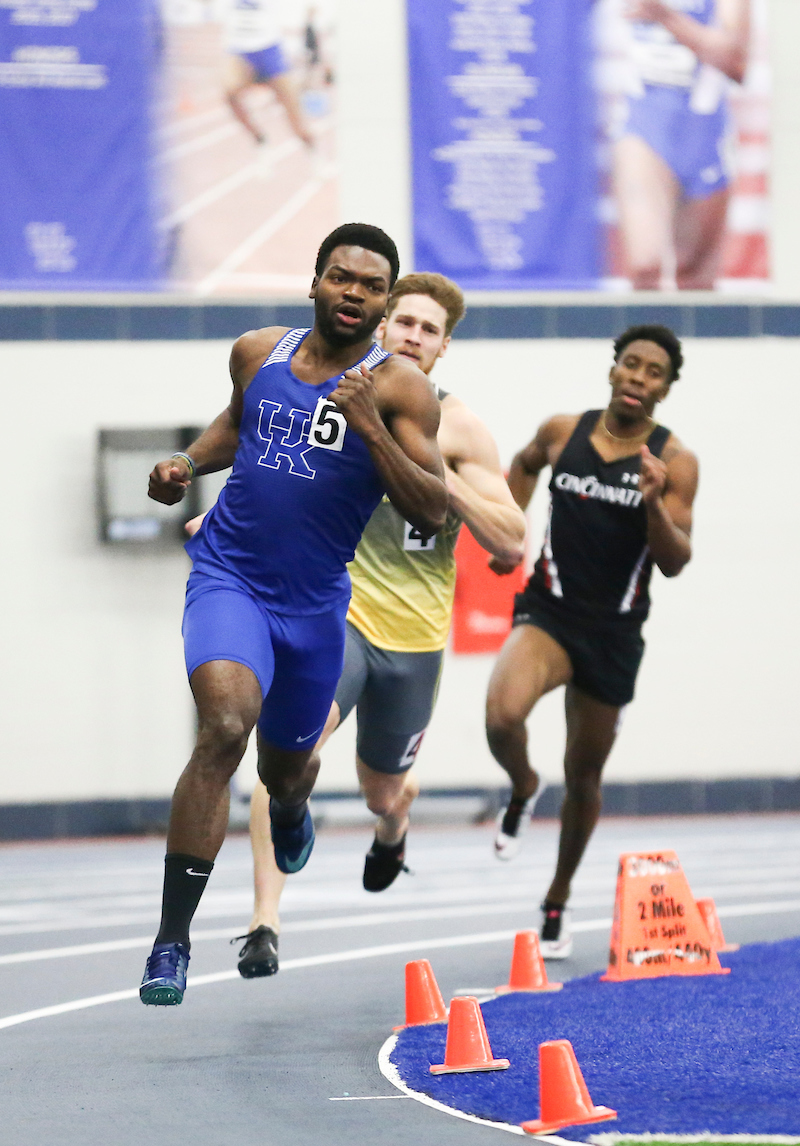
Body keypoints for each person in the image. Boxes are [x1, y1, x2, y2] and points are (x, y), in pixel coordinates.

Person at [140, 224, 449, 1006]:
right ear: (315, 282)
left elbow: (433, 507)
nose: (353, 293)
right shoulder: (257, 352)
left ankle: (291, 804)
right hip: (229, 578)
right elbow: (236, 423)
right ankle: (172, 941)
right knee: (223, 727)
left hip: (313, 608)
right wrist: (187, 463)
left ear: (384, 304)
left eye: (371, 286)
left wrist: (370, 424)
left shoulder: (402, 389)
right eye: (341, 277)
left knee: (285, 770)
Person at [229, 272, 526, 978]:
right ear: (382, 326)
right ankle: (264, 921)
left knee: (381, 790)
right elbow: (272, 480)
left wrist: (435, 477)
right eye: (405, 323)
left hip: (414, 639)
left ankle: (394, 825)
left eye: (429, 330)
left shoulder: (458, 427)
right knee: (285, 753)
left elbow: (512, 543)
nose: (413, 337)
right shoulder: (330, 398)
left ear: (444, 347)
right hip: (336, 614)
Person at [486, 325, 698, 958]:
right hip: (550, 613)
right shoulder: (563, 431)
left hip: (614, 633)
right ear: (613, 370)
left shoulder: (675, 461)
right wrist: (509, 534)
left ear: (664, 389)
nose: (638, 377)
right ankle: (523, 785)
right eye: (631, 364)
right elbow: (524, 464)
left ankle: (557, 899)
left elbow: (675, 561)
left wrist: (653, 503)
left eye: (654, 372)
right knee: (502, 716)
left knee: (583, 774)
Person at [613, 0, 750, 289]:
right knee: (645, 266)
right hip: (645, 127)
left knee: (694, 277)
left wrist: (664, 15)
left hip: (703, 133)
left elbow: (735, 62)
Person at [220, 0, 315, 172]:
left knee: (293, 109)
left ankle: (311, 149)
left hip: (269, 51)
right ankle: (260, 139)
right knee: (229, 92)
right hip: (240, 51)